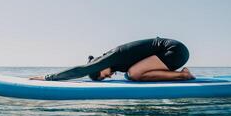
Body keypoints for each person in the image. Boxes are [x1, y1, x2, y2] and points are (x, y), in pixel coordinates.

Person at [30, 37, 195, 81]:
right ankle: (181, 73)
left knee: (133, 74)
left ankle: (183, 75)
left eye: (103, 75)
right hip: (171, 56)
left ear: (98, 66)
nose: (108, 76)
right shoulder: (117, 64)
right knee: (131, 75)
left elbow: (82, 70)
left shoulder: (112, 56)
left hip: (174, 50)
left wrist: (48, 77)